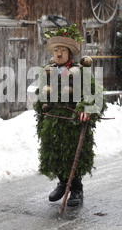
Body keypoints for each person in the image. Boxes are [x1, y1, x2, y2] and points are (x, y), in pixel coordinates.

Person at [34, 25, 105, 207]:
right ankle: (62, 183)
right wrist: (41, 105)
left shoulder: (81, 70)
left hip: (72, 122)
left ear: (69, 53)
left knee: (74, 155)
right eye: (56, 50)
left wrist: (86, 108)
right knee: (56, 154)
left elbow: (94, 95)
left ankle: (76, 189)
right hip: (53, 122)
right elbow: (40, 93)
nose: (58, 54)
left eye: (62, 50)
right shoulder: (47, 70)